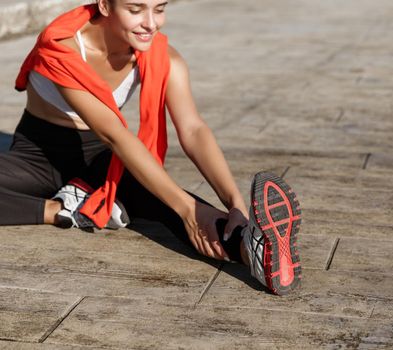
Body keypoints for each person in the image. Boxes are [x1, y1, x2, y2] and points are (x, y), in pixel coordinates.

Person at [1, 0, 301, 295]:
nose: (150, 23)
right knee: (182, 206)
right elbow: (114, 134)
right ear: (105, 5)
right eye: (135, 9)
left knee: (176, 205)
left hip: (104, 158)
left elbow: (193, 129)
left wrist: (234, 203)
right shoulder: (61, 48)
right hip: (38, 155)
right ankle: (64, 210)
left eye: (159, 9)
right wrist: (185, 209)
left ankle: (254, 253)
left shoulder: (164, 57)